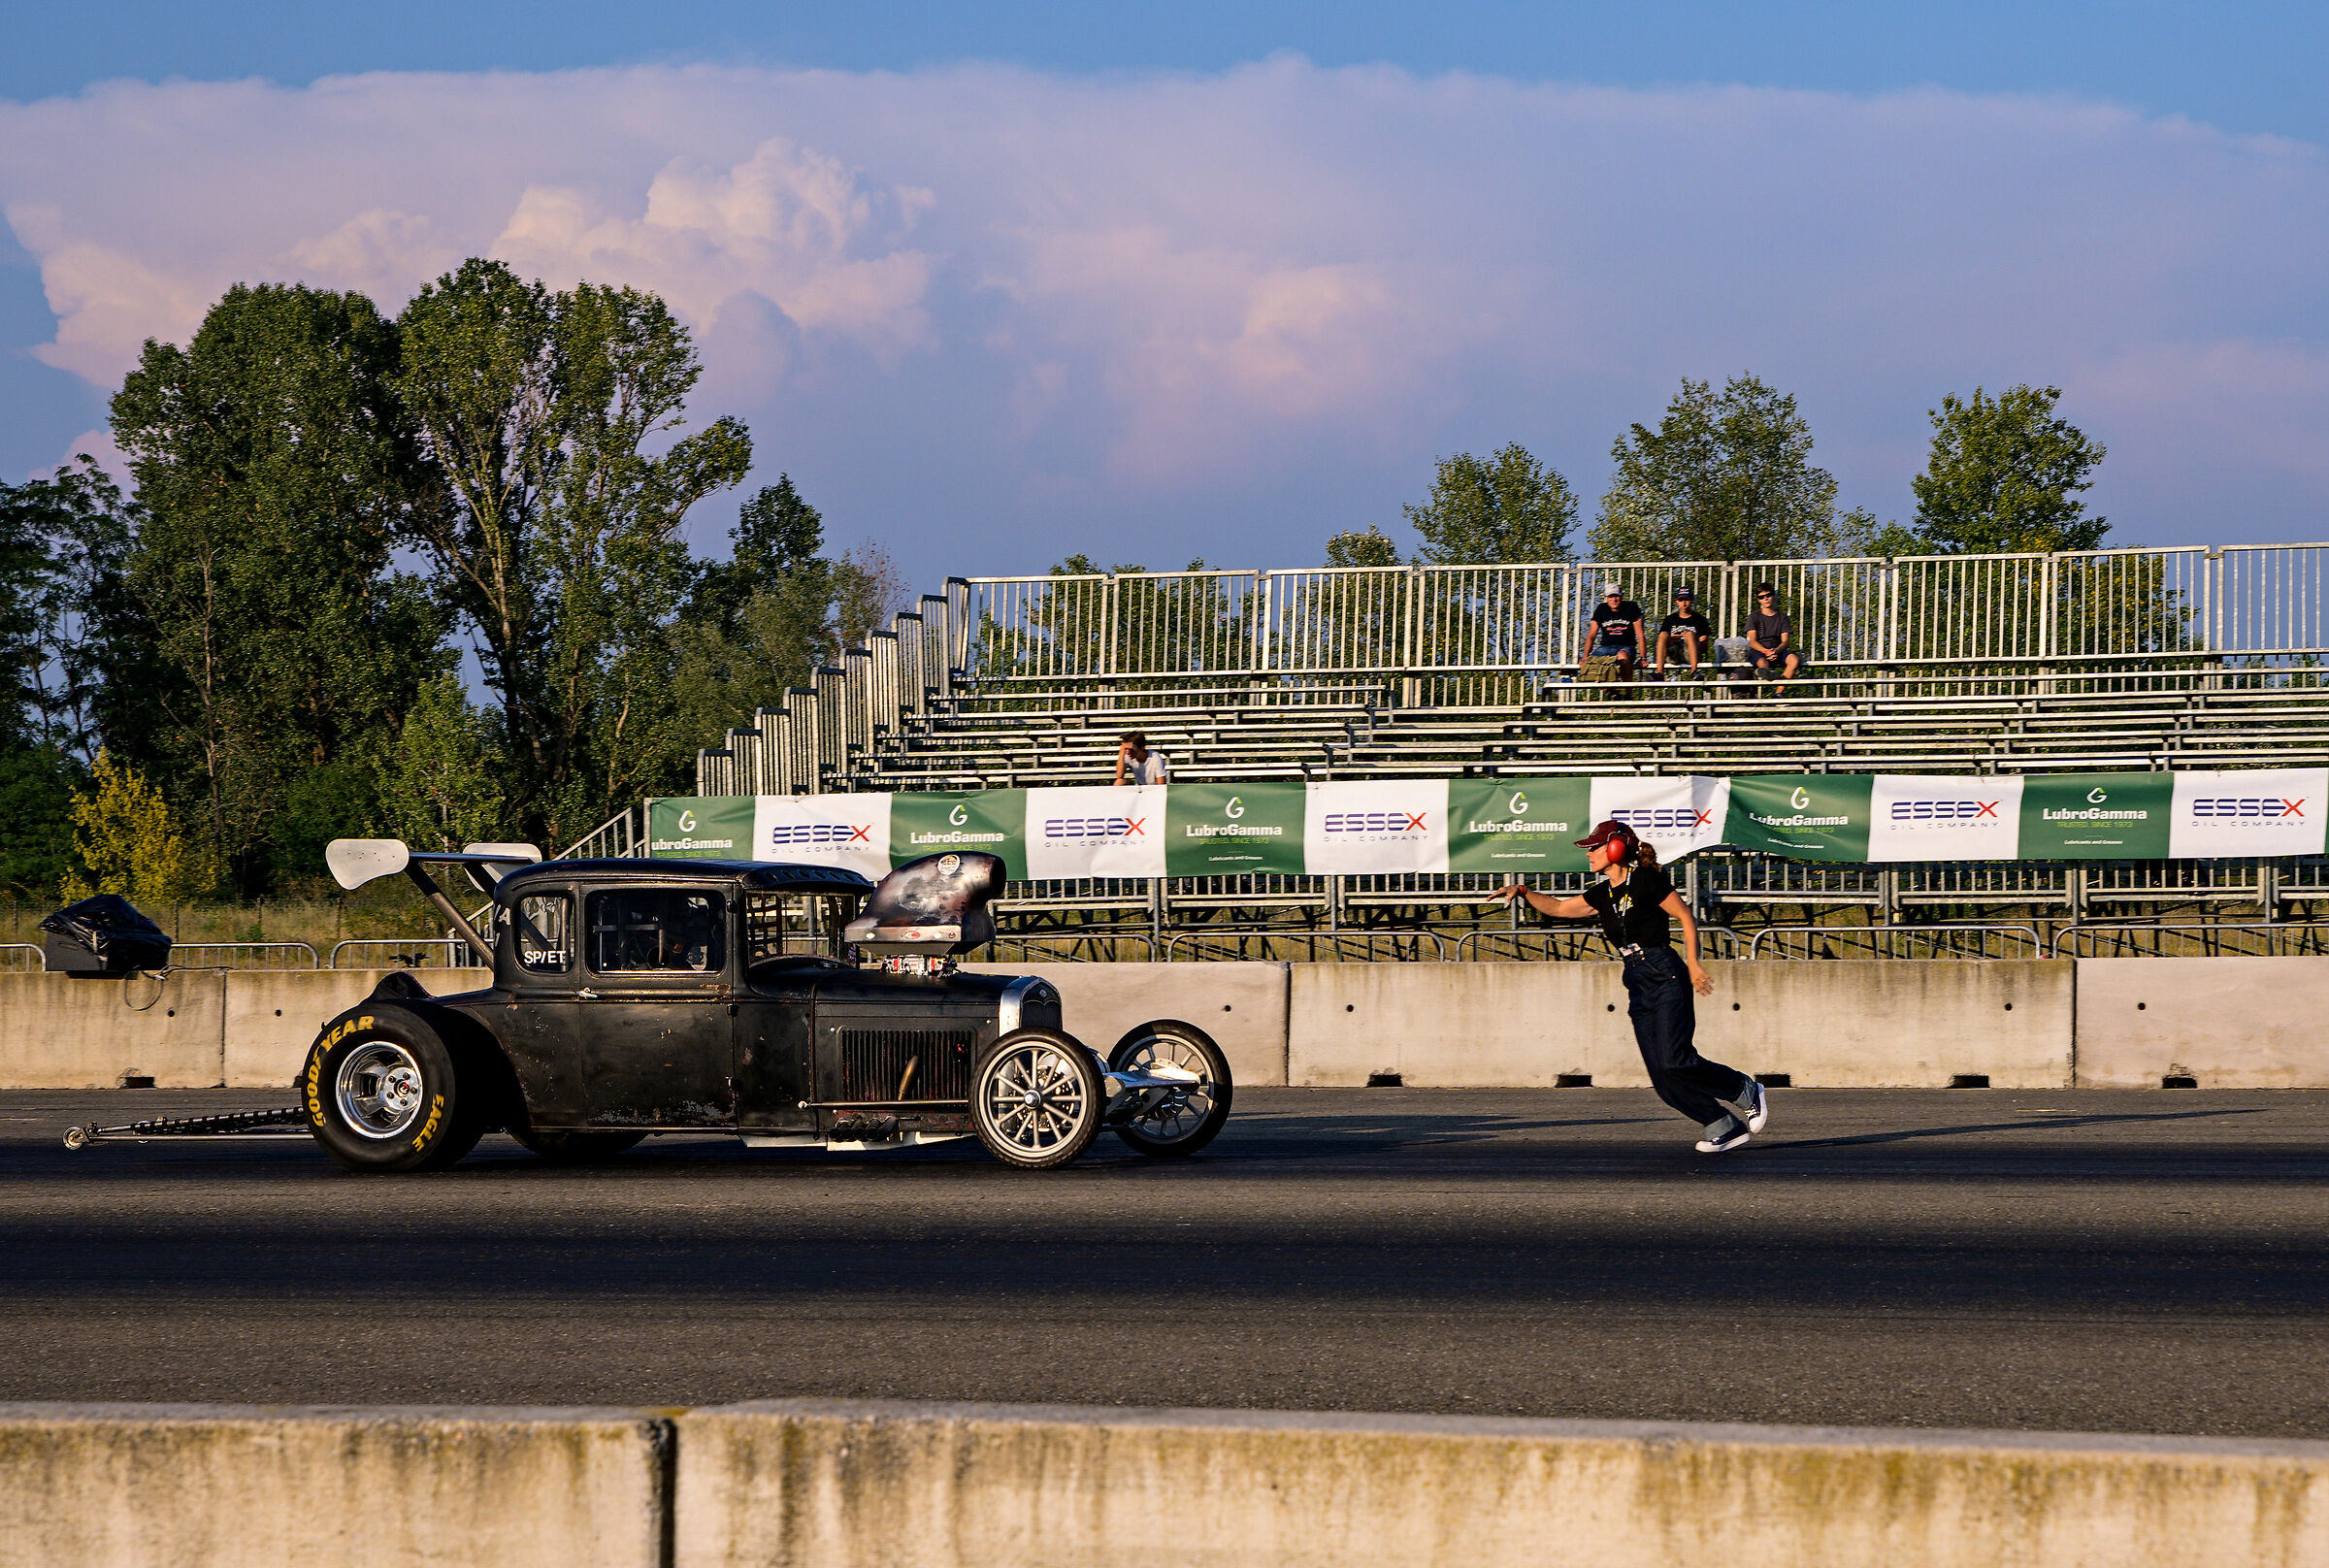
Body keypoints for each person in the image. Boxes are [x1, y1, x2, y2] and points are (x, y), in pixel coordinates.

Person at [1496, 820, 1769, 1154]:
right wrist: (1523, 891)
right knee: (1662, 1080)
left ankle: (1744, 1089)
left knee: (1676, 1060)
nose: (1589, 855)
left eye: (1595, 848)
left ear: (1616, 848)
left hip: (1664, 971)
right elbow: (1559, 908)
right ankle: (1722, 1126)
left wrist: (1694, 964)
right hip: (1636, 980)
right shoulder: (1602, 893)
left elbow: (1686, 917)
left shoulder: (1646, 881)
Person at [1746, 582, 1801, 694]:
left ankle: (1778, 693)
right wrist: (1766, 651)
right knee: (1762, 663)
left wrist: (1776, 651)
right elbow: (1752, 641)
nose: (1765, 599)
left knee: (1794, 660)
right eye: (1761, 597)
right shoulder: (1754, 616)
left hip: (1778, 650)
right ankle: (1767, 673)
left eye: (1768, 595)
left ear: (1773, 596)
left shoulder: (1782, 617)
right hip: (1759, 650)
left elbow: (1785, 641)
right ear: (1758, 600)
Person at [1584, 583, 1646, 679]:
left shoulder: (1631, 607)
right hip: (1605, 648)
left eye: (1616, 596)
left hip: (1626, 648)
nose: (1614, 599)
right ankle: (1609, 692)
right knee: (1592, 663)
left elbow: (1640, 634)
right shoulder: (1601, 609)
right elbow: (1591, 635)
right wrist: (1585, 657)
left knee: (1622, 656)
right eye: (1610, 596)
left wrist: (1643, 658)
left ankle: (1627, 692)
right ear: (1606, 598)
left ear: (1621, 597)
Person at [1652, 587, 1714, 678]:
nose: (1684, 603)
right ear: (1676, 601)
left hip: (1691, 654)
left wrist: (1691, 638)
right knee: (1663, 634)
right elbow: (1662, 641)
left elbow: (1704, 648)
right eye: (1681, 600)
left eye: (1686, 600)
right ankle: (1659, 673)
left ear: (1692, 601)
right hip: (1674, 653)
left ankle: (1694, 672)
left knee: (1689, 634)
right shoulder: (1670, 619)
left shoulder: (1699, 619)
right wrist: (1673, 638)